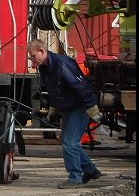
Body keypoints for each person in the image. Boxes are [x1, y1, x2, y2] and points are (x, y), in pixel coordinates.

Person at [27, 39, 103, 188]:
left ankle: (75, 178)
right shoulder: (46, 68)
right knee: (69, 142)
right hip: (69, 107)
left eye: (33, 56)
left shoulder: (62, 65)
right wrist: (53, 109)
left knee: (70, 142)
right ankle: (90, 170)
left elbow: (81, 86)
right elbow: (56, 91)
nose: (32, 60)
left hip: (79, 106)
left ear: (42, 51)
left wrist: (92, 109)